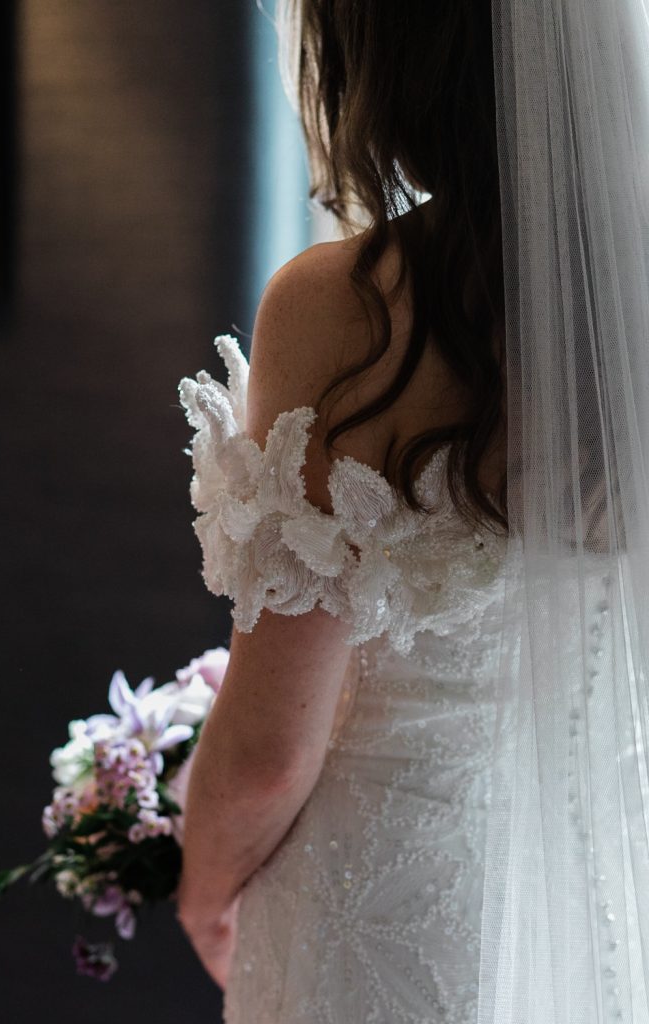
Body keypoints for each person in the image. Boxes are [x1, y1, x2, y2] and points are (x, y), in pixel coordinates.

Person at [176, 2, 649, 1022]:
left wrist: (204, 888)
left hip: (385, 908)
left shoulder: (347, 307)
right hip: (603, 881)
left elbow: (264, 754)